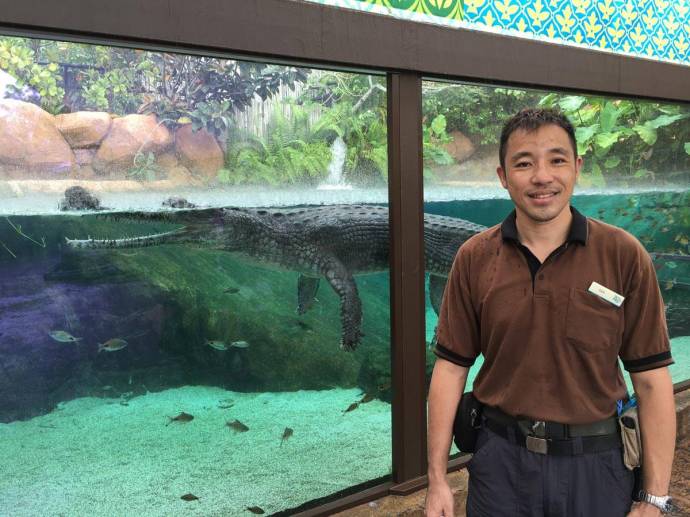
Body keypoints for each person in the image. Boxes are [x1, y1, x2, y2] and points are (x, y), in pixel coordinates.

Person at [425, 108, 676, 517]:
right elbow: (451, 369)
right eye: (524, 163)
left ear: (577, 167)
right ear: (503, 176)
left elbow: (651, 380)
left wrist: (654, 497)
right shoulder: (475, 257)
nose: (542, 176)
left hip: (597, 466)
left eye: (557, 160)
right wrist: (436, 479)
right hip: (501, 465)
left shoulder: (623, 255)